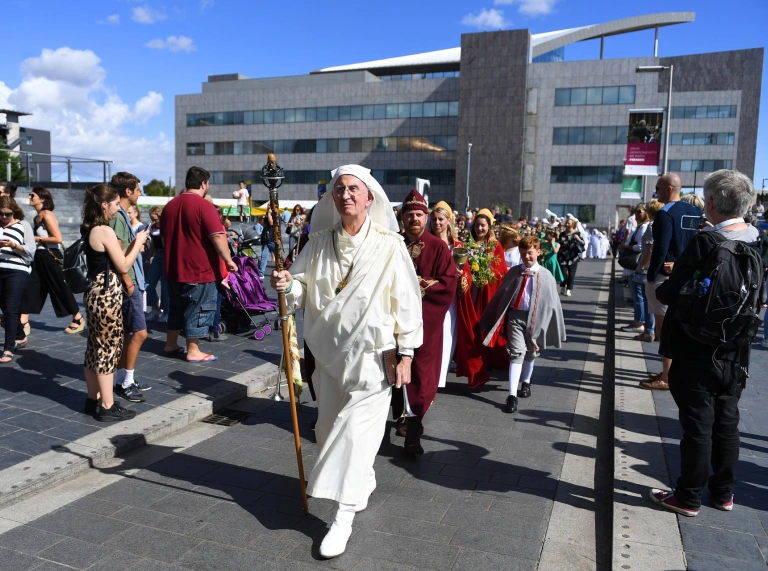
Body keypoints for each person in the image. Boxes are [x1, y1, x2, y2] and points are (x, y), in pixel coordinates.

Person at [270, 165, 422, 559]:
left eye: (354, 189)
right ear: (332, 199)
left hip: (374, 357)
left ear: (370, 197)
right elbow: (301, 287)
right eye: (340, 190)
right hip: (329, 356)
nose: (346, 195)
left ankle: (342, 519)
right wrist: (289, 284)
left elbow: (407, 300)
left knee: (354, 434)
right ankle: (362, 479)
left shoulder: (390, 244)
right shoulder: (318, 242)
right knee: (327, 428)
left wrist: (407, 351)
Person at [648, 169, 761, 517]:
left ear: (711, 203)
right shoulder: (758, 240)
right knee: (727, 421)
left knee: (698, 423)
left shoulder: (706, 242)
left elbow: (669, 292)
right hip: (736, 348)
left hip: (697, 346)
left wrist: (670, 276)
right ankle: (724, 493)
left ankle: (688, 496)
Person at [394, 190, 456, 454]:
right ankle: (401, 418)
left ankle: (413, 430)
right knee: (393, 371)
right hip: (392, 322)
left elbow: (448, 282)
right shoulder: (391, 243)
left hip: (425, 324)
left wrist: (414, 286)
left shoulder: (438, 247)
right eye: (409, 215)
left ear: (426, 216)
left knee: (421, 375)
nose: (414, 219)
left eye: (419, 214)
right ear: (402, 217)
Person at [80, 184, 149, 421]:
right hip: (107, 294)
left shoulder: (90, 227)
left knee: (94, 348)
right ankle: (108, 406)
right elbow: (123, 266)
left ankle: (92, 400)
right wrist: (139, 242)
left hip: (95, 293)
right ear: (104, 204)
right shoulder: (104, 229)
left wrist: (134, 242)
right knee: (108, 349)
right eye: (116, 204)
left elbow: (114, 257)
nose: (118, 208)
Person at [480, 235, 566, 413]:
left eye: (531, 253)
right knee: (516, 353)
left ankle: (525, 382)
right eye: (524, 254)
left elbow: (552, 302)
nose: (527, 257)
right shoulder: (514, 272)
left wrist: (548, 323)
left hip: (536, 318)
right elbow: (502, 294)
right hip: (515, 317)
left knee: (531, 353)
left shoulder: (546, 275)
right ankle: (512, 395)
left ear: (539, 253)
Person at [161, 167, 238, 362]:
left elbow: (163, 238)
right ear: (203, 183)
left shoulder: (169, 206)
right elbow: (218, 236)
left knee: (177, 308)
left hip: (173, 269)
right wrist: (229, 261)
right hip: (199, 270)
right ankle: (193, 350)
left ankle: (171, 343)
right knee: (197, 308)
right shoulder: (204, 206)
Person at [644, 173, 702, 390]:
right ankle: (672, 372)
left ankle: (667, 377)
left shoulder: (665, 213)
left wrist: (651, 276)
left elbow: (660, 249)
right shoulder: (697, 212)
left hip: (665, 278)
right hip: (688, 278)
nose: (656, 192)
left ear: (669, 189)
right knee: (680, 328)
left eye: (658, 187)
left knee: (664, 329)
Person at [109, 172, 151, 403]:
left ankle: (125, 378)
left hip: (132, 279)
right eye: (137, 188)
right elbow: (117, 253)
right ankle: (126, 382)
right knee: (140, 332)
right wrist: (128, 281)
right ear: (127, 191)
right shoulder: (118, 217)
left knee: (127, 332)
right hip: (129, 281)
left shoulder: (121, 215)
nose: (139, 192)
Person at [19, 187, 85, 335]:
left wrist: (36, 238)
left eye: (32, 195)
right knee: (31, 287)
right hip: (39, 257)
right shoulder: (38, 216)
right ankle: (23, 320)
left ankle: (78, 317)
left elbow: (57, 238)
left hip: (50, 256)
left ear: (42, 199)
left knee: (59, 288)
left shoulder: (47, 215)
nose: (29, 197)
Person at [454, 208, 508, 388]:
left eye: (483, 226)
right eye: (477, 225)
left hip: (487, 295)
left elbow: (501, 272)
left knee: (484, 329)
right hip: (470, 292)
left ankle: (486, 362)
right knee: (471, 329)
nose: (480, 229)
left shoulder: (495, 246)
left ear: (489, 227)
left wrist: (487, 275)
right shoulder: (467, 244)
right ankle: (474, 365)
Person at [430, 201, 468, 388]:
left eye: (441, 219)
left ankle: (439, 379)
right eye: (434, 219)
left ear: (448, 221)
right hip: (430, 296)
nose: (437, 223)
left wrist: (461, 275)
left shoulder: (458, 246)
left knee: (446, 336)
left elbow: (466, 273)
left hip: (450, 299)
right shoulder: (426, 242)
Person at [0, 196, 34, 363]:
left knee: (10, 307)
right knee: (4, 307)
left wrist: (13, 245)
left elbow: (30, 250)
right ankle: (20, 335)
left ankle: (8, 348)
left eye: (8, 214)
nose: (4, 217)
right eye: (1, 214)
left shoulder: (23, 225)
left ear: (14, 212)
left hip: (17, 270)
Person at [619, 204, 653, 336]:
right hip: (637, 267)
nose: (636, 214)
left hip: (640, 266)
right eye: (635, 212)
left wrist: (628, 248)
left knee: (641, 298)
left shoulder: (645, 227)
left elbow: (642, 247)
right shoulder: (640, 227)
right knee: (640, 297)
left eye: (639, 212)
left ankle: (640, 324)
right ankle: (640, 322)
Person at [144, 206, 169, 323]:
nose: (154, 222)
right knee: (148, 284)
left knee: (165, 286)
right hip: (157, 256)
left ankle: (166, 311)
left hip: (166, 256)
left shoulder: (167, 227)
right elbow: (153, 243)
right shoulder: (153, 228)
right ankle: (155, 308)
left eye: (155, 219)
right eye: (152, 219)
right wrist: (148, 259)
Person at [557, 217, 584, 296]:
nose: (567, 224)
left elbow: (583, 243)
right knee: (564, 273)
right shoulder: (562, 234)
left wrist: (578, 239)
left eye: (569, 223)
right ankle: (563, 286)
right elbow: (559, 243)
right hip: (563, 256)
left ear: (573, 225)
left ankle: (568, 289)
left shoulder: (577, 234)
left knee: (571, 274)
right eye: (567, 223)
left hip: (573, 256)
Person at [258, 209, 276, 279]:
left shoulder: (275, 215)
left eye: (269, 205)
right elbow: (265, 224)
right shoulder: (267, 214)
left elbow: (271, 223)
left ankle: (282, 270)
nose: (268, 207)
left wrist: (269, 213)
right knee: (264, 257)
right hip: (266, 239)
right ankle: (261, 273)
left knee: (278, 257)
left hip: (273, 239)